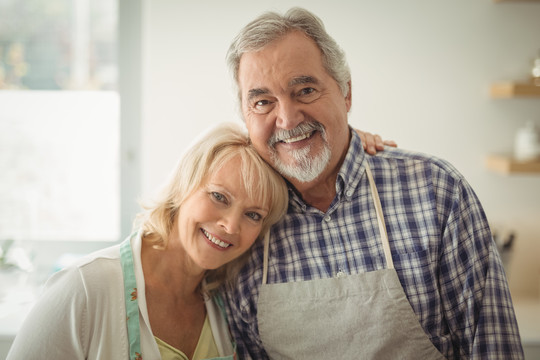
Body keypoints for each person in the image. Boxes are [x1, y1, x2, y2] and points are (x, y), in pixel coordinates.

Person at [220, 7, 524, 359]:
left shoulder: (438, 192)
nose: (287, 119)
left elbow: (494, 348)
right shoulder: (240, 225)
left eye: (304, 90)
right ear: (245, 116)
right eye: (262, 101)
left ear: (346, 92)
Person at [7, 122, 290, 360]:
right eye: (218, 197)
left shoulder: (228, 305)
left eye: (253, 215)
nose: (230, 225)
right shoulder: (84, 286)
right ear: (183, 186)